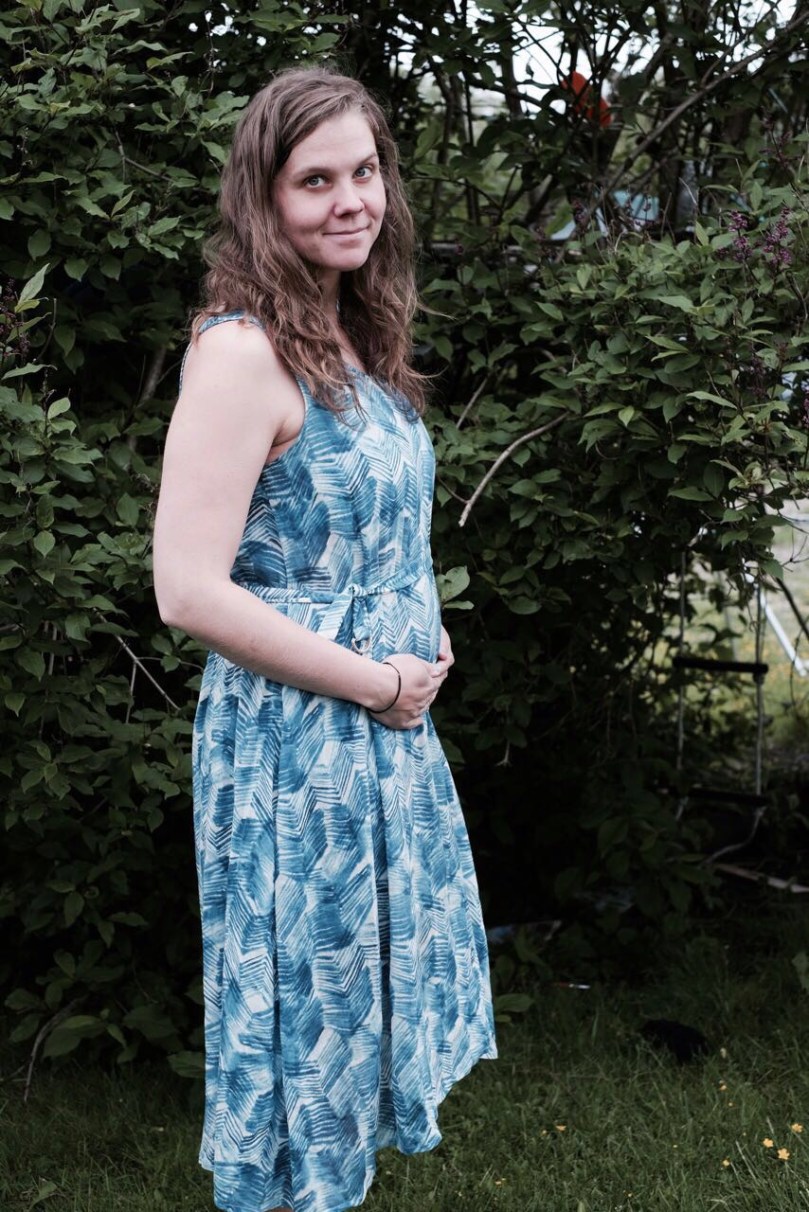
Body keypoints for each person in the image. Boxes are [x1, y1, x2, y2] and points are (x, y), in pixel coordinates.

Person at [152, 65, 497, 1212]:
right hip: (296, 750)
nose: (351, 200)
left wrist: (420, 636)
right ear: (262, 196)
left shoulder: (350, 332)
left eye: (365, 172)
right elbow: (186, 590)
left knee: (355, 1024)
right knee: (307, 1028)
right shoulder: (240, 352)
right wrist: (379, 680)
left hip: (380, 730)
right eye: (315, 180)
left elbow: (372, 535)